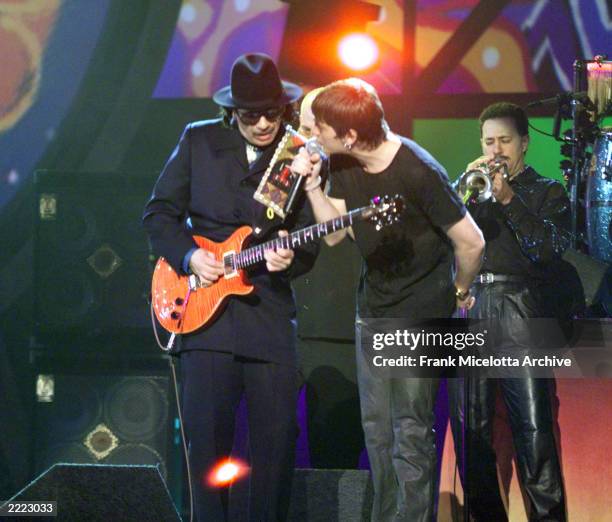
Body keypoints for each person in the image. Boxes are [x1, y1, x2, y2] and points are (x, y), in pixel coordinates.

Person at [292, 79, 485, 522]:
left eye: (319, 128)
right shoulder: (343, 163)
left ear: (351, 134)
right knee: (377, 434)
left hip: (421, 317)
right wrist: (313, 188)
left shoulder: (419, 170)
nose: (313, 136)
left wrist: (458, 293)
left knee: (410, 436)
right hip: (373, 313)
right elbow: (336, 233)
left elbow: (471, 242)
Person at [142, 53, 318, 522]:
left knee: (276, 451)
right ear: (231, 112)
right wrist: (189, 255)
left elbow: (310, 238)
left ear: (285, 109)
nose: (263, 124)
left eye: (272, 113)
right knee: (207, 454)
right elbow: (158, 214)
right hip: (203, 318)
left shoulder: (298, 152)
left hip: (268, 317)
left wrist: (290, 258)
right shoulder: (198, 140)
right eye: (250, 115)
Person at [448, 102, 570, 521]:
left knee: (534, 434)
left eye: (504, 140)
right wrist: (459, 194)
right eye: (488, 141)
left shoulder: (548, 190)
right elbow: (445, 242)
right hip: (473, 309)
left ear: (525, 143)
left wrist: (509, 198)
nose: (495, 150)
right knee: (471, 433)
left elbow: (549, 250)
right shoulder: (472, 192)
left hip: (522, 308)